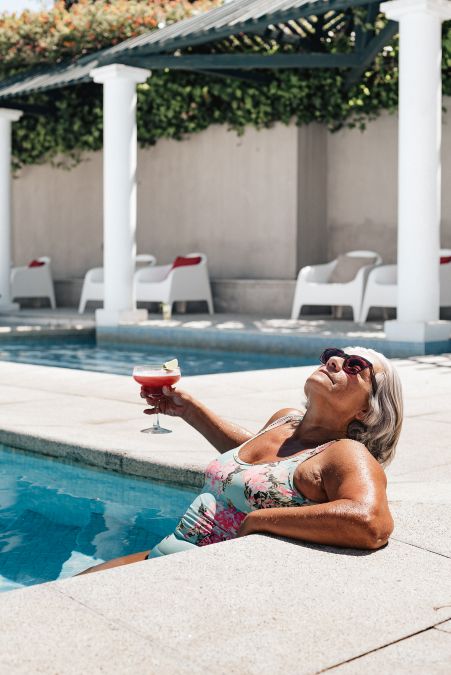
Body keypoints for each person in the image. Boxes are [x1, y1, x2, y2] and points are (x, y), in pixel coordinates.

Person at [80, 346, 403, 575]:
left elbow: (371, 522)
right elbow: (256, 467)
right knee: (76, 585)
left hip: (196, 575)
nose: (334, 361)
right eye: (334, 354)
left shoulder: (344, 452)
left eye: (354, 366)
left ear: (366, 409)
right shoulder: (285, 420)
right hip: (163, 553)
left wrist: (261, 520)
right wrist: (189, 410)